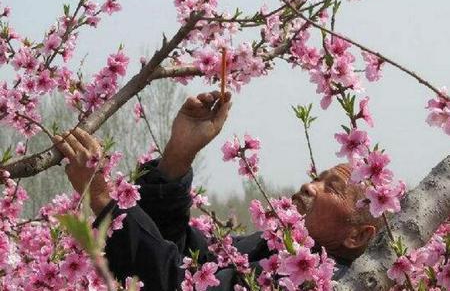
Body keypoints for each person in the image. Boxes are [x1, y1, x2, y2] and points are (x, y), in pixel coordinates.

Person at [53, 91, 382, 290]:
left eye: (332, 188)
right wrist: (176, 160)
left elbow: (172, 285)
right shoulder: (263, 251)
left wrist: (104, 201)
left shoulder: (317, 283)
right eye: (318, 177)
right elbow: (184, 261)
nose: (309, 185)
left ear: (355, 237)